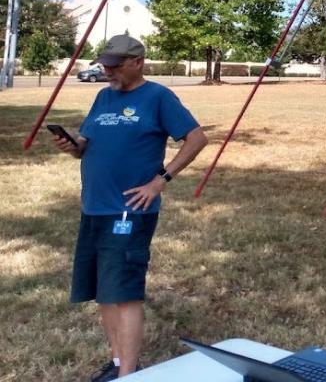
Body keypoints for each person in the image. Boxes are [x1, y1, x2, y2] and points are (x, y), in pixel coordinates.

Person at [50, 34, 208, 380]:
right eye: (104, 64)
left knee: (124, 293)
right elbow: (85, 144)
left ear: (138, 62)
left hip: (129, 212)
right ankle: (118, 363)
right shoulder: (103, 97)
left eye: (115, 65)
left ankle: (130, 374)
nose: (107, 70)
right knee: (104, 291)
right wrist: (72, 144)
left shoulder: (158, 97)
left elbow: (197, 138)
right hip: (94, 207)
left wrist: (159, 181)